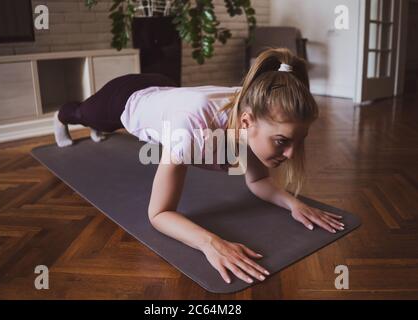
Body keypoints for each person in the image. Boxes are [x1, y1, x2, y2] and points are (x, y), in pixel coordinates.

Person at [53, 47, 345, 285]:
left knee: (100, 123)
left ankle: (95, 128)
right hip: (123, 100)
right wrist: (209, 243)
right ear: (246, 123)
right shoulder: (191, 129)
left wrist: (293, 204)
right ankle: (63, 117)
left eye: (298, 141)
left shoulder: (257, 107)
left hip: (164, 88)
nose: (291, 154)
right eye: (282, 141)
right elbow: (159, 213)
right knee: (83, 114)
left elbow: (257, 182)